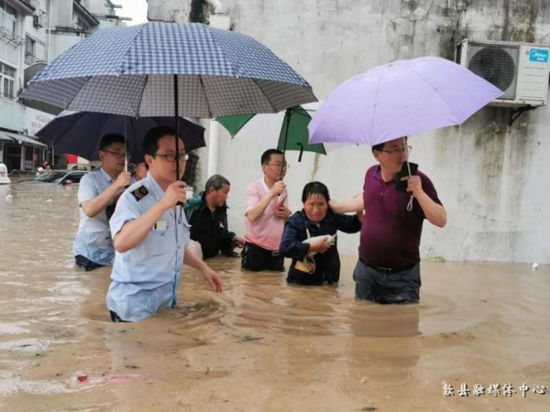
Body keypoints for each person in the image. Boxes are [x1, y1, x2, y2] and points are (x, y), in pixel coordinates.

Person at [106, 126, 222, 322]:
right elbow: (121, 242)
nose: (178, 162)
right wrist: (162, 205)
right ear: (150, 160)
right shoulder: (135, 196)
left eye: (182, 155)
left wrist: (203, 268)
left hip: (165, 303)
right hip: (134, 306)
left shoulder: (176, 197)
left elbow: (175, 245)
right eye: (170, 156)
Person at [330, 137, 446, 303]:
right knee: (362, 323)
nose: (402, 154)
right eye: (395, 150)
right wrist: (338, 208)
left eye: (404, 148)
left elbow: (441, 220)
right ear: (377, 155)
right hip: (367, 272)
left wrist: (419, 193)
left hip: (403, 277)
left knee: (404, 325)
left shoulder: (418, 180)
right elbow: (368, 198)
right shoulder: (371, 174)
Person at [280, 182, 363, 286]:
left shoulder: (332, 217)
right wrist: (311, 247)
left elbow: (354, 226)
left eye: (321, 204)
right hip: (301, 283)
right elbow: (284, 248)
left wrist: (359, 210)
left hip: (329, 280)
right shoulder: (295, 222)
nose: (316, 210)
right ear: (303, 203)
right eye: (311, 204)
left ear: (327, 204)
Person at [74, 134, 131, 271]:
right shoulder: (89, 180)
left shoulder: (131, 182)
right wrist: (117, 185)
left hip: (118, 253)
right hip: (90, 252)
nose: (122, 158)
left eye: (125, 154)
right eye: (117, 153)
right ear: (102, 156)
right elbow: (90, 210)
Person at [242, 149, 292, 272]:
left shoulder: (283, 190)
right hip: (256, 250)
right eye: (278, 164)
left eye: (284, 164)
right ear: (265, 167)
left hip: (277, 251)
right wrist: (271, 193)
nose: (282, 168)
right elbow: (252, 216)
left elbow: (283, 223)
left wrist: (287, 214)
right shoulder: (253, 188)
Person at [184, 174, 245, 260]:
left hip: (212, 261)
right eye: (225, 192)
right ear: (212, 190)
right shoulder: (192, 207)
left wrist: (233, 238)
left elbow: (222, 234)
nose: (226, 197)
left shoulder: (222, 210)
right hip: (192, 263)